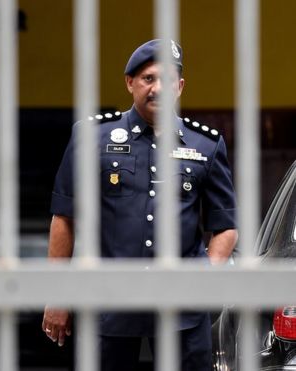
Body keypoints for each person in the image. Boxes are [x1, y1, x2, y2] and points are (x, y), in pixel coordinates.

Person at [42, 39, 238, 370]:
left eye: (167, 79)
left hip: (182, 310)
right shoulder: (92, 138)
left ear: (180, 86)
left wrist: (203, 279)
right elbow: (64, 218)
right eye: (148, 78)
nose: (157, 88)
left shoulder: (206, 144)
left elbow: (226, 226)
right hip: (108, 304)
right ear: (129, 82)